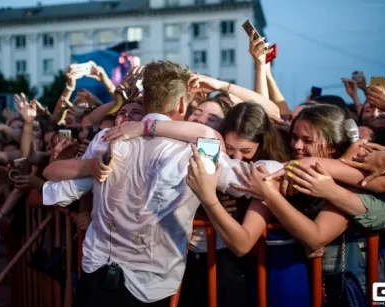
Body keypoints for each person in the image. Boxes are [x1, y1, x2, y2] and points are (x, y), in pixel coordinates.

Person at [41, 61, 283, 306]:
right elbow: (257, 176)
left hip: (96, 276)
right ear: (181, 104)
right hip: (150, 286)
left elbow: (58, 192)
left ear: (145, 102)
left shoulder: (107, 138)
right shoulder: (199, 149)